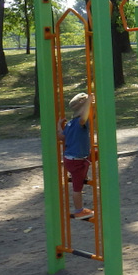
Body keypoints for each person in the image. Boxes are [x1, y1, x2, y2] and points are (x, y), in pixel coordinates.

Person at [58, 92, 93, 220]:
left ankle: (82, 175)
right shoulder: (80, 121)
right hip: (77, 161)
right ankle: (79, 211)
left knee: (91, 155)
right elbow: (83, 118)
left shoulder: (70, 123)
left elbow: (61, 136)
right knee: (77, 189)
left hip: (70, 159)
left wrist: (58, 125)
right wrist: (89, 101)